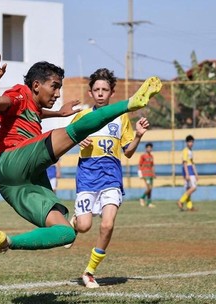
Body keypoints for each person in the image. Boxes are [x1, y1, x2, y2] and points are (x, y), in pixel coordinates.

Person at [0, 54, 162, 255]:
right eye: (54, 86)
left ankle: (8, 242)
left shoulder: (32, 106)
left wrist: (59, 114)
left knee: (66, 232)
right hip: (12, 160)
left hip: (16, 185)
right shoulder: (20, 94)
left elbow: (36, 113)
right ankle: (130, 103)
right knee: (76, 131)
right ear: (35, 85)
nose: (58, 93)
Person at [63, 68, 150, 288]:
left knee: (107, 225)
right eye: (96, 89)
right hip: (87, 178)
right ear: (90, 93)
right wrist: (76, 141)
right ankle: (75, 223)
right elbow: (66, 138)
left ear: (112, 93)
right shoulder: (82, 116)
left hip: (111, 178)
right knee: (84, 226)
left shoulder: (121, 118)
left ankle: (89, 272)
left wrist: (138, 135)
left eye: (105, 89)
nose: (100, 93)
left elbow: (128, 152)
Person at [176, 135, 198, 211]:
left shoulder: (190, 151)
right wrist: (187, 173)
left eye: (192, 142)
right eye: (189, 142)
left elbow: (192, 162)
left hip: (191, 169)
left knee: (188, 189)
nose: (191, 143)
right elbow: (185, 163)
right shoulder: (185, 151)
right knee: (194, 187)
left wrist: (196, 173)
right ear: (186, 142)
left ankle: (189, 206)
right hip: (187, 170)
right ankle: (181, 201)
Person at [139, 142, 156, 208]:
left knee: (150, 189)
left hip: (150, 174)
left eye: (150, 147)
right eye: (148, 147)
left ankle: (149, 203)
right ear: (146, 148)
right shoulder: (143, 156)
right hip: (145, 174)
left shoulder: (151, 156)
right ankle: (142, 198)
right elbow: (140, 165)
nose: (149, 149)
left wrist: (154, 173)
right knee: (149, 188)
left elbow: (152, 165)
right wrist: (140, 174)